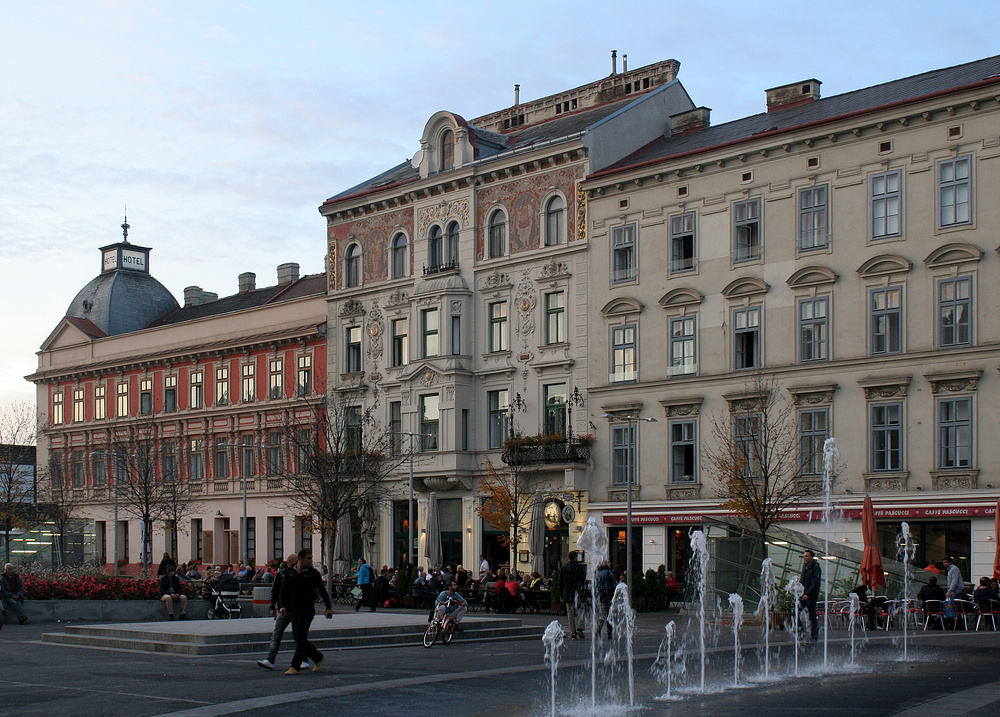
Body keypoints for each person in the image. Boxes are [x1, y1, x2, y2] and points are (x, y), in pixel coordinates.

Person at [279, 548, 332, 675]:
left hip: (307, 609)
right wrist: (282, 605)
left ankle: (294, 666)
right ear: (300, 559)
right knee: (298, 638)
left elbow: (322, 590)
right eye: (308, 558)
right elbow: (284, 590)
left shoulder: (313, 574)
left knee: (300, 636)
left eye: (311, 558)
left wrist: (328, 607)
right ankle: (317, 657)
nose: (311, 561)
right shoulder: (290, 572)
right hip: (293, 609)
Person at [258, 553, 300, 670]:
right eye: (297, 561)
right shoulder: (282, 574)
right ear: (291, 561)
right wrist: (272, 607)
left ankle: (304, 658)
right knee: (277, 635)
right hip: (284, 609)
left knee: (297, 636)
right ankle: (270, 659)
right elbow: (275, 591)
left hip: (294, 609)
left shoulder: (299, 574)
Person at [560, 551, 586, 639]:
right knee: (580, 610)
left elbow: (561, 582)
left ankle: (572, 631)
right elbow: (583, 580)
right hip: (578, 592)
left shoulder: (564, 568)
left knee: (570, 613)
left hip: (567, 592)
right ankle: (580, 627)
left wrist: (561, 594)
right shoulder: (580, 568)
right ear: (575, 558)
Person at [799, 550, 821, 641]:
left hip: (810, 596)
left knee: (812, 615)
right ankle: (801, 631)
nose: (805, 558)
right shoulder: (806, 567)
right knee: (795, 613)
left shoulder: (815, 567)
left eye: (807, 556)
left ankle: (814, 635)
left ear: (812, 557)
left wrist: (808, 594)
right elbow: (802, 580)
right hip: (803, 595)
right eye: (804, 556)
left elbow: (815, 582)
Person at [594, 561, 615, 639]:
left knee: (602, 613)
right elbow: (613, 583)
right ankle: (609, 632)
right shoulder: (609, 572)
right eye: (609, 563)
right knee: (609, 614)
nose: (610, 564)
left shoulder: (598, 572)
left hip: (600, 594)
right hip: (608, 594)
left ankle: (598, 629)